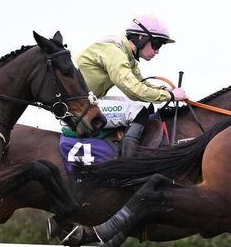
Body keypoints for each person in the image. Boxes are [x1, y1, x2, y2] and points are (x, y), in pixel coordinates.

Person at [75, 14, 188, 157]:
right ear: (141, 38)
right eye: (156, 44)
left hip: (89, 102)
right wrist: (170, 96)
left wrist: (164, 90)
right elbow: (133, 90)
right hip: (78, 109)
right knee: (139, 111)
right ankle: (127, 164)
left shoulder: (127, 55)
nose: (157, 51)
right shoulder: (114, 52)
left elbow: (140, 83)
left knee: (146, 107)